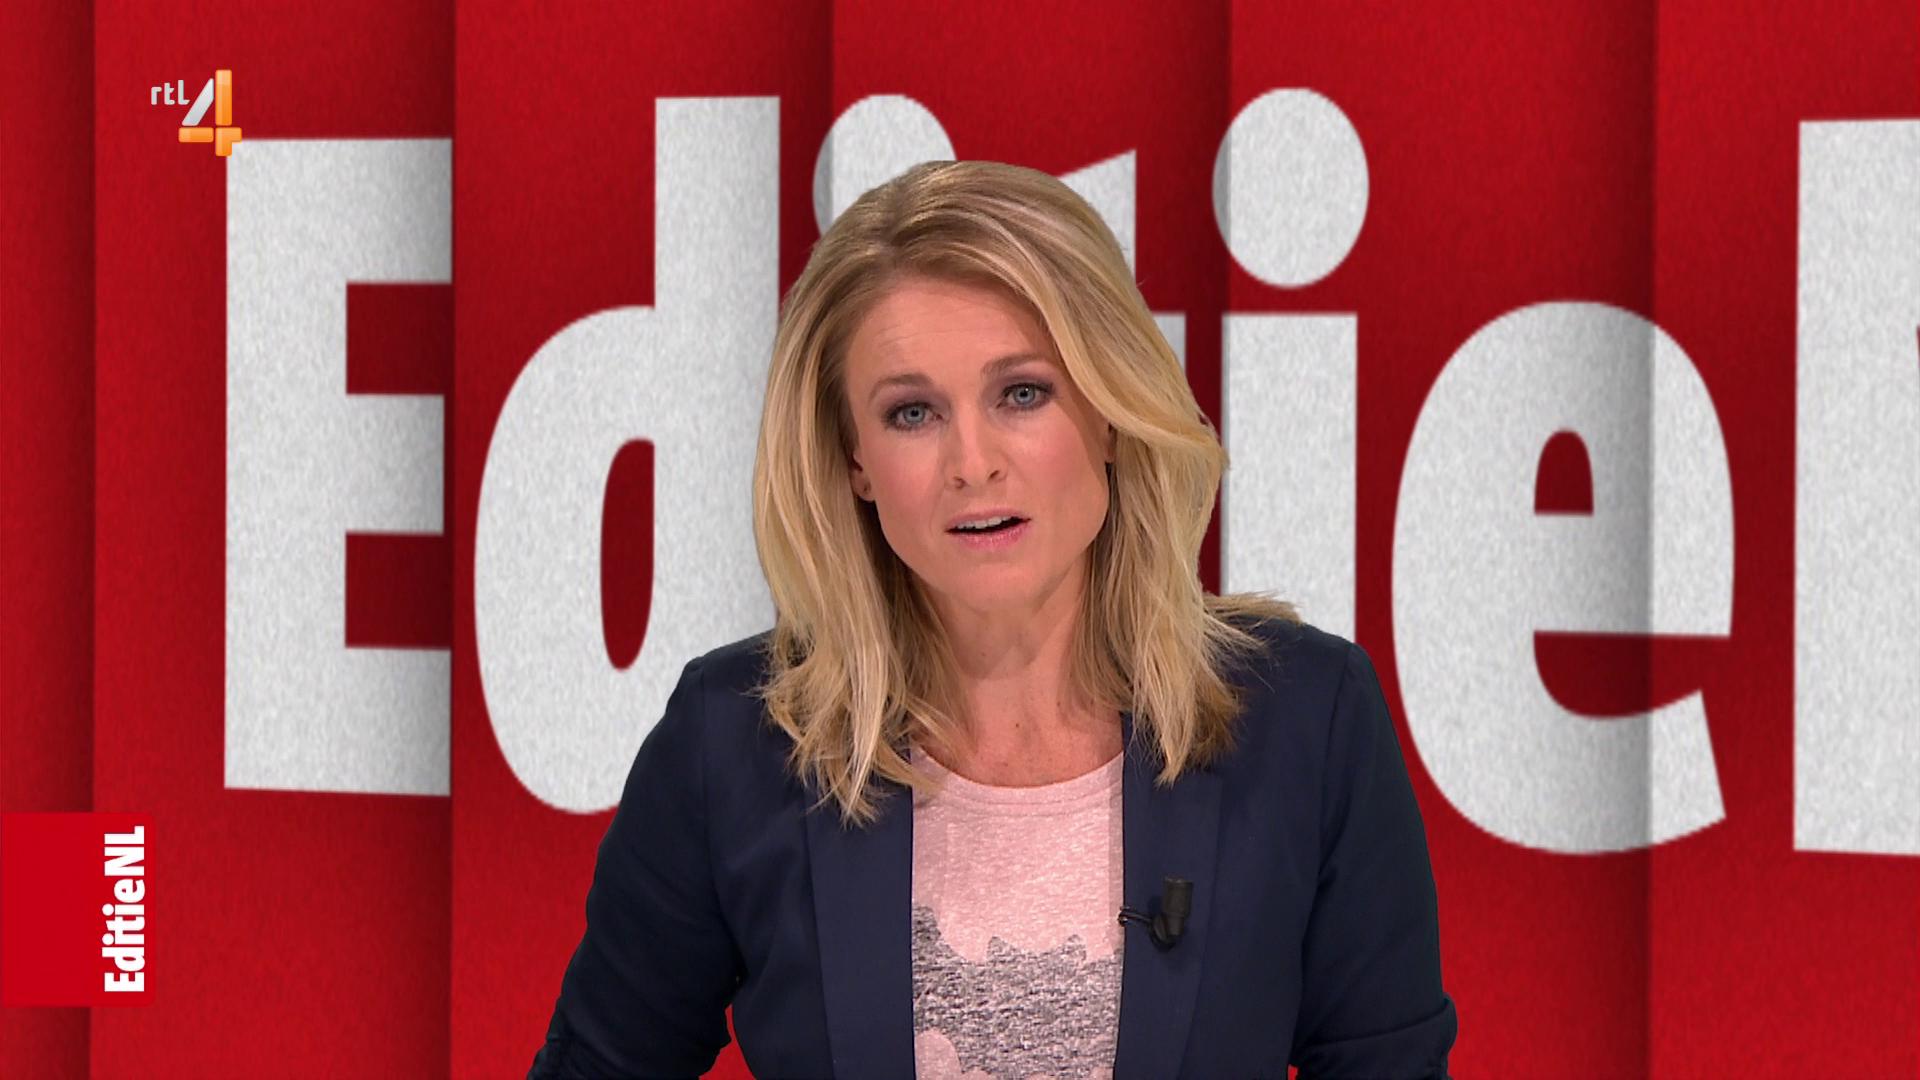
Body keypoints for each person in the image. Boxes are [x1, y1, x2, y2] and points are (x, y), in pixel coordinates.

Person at [528, 159, 1457, 1079]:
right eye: (912, 413)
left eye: (1022, 393)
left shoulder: (1308, 721)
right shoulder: (733, 742)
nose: (972, 463)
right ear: (853, 461)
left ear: (1110, 410)